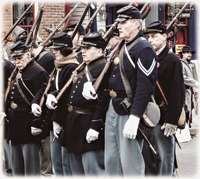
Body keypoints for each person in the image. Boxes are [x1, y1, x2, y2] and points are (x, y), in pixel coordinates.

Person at [104, 6, 157, 176]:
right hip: (114, 107)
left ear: (136, 24)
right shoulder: (123, 46)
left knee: (130, 164)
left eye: (123, 22)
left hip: (129, 109)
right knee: (112, 161)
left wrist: (135, 117)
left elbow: (145, 86)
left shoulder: (144, 49)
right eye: (118, 22)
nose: (118, 26)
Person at [47, 32, 108, 176]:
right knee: (76, 172)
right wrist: (54, 98)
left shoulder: (104, 68)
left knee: (93, 171)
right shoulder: (81, 68)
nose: (84, 51)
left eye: (88, 48)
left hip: (88, 125)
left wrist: (95, 126)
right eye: (83, 48)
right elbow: (69, 96)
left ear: (100, 51)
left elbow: (103, 101)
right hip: (74, 125)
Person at [31, 33, 79, 176]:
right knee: (57, 161)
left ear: (65, 49)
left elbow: (67, 96)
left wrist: (57, 120)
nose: (54, 52)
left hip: (64, 120)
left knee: (65, 163)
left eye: (57, 49)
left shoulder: (71, 67)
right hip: (55, 120)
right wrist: (36, 102)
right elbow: (46, 86)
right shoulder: (58, 66)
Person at [144, 20, 185, 176]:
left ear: (164, 37)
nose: (150, 40)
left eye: (154, 36)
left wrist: (172, 121)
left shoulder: (172, 59)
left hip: (163, 119)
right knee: (149, 160)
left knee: (165, 160)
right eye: (148, 37)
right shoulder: (148, 58)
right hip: (147, 118)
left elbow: (177, 92)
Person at [5, 41, 49, 176]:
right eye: (15, 59)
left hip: (28, 123)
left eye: (20, 58)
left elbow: (41, 98)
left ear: (28, 55)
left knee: (30, 167)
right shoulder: (18, 71)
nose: (17, 62)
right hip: (15, 122)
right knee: (17, 165)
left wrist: (37, 123)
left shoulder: (38, 72)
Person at [179, 46, 199, 127]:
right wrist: (195, 83)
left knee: (190, 109)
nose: (189, 54)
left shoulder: (189, 63)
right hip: (184, 90)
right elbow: (183, 78)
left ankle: (187, 128)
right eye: (187, 53)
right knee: (186, 109)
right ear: (183, 54)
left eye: (190, 53)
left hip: (190, 91)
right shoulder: (181, 63)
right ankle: (184, 128)